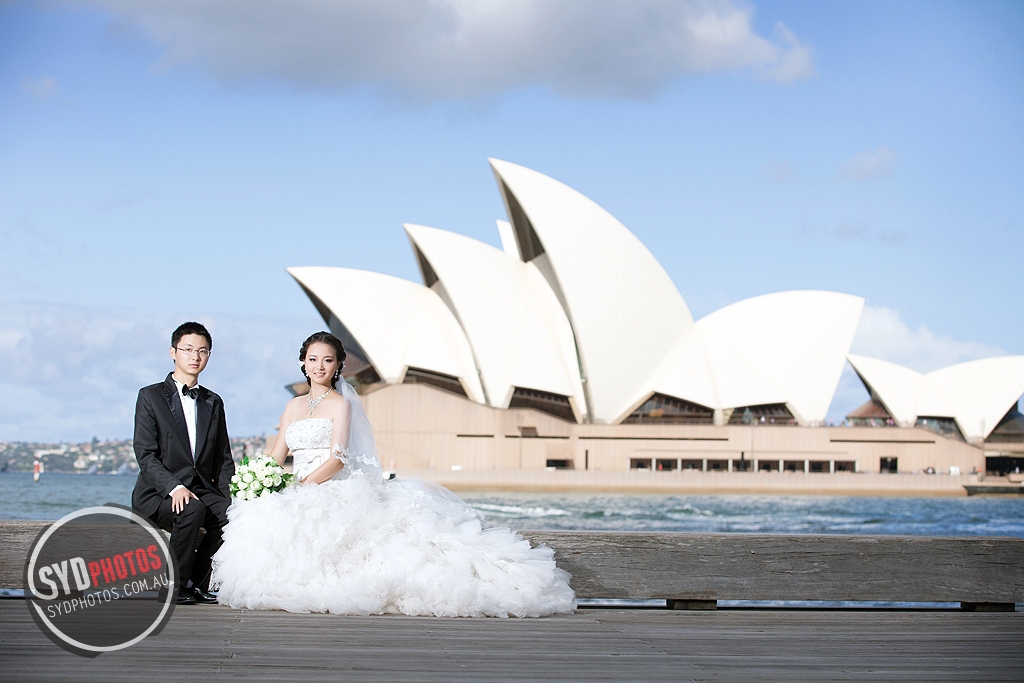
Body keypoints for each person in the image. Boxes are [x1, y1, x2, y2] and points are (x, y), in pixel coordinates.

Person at [211, 332, 575, 617]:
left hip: (328, 486)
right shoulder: (292, 406)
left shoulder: (341, 404)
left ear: (338, 366)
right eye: (313, 359)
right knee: (261, 516)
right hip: (297, 486)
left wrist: (302, 485)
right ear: (302, 364)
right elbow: (276, 456)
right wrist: (259, 479)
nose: (319, 366)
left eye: (327, 360)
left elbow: (338, 458)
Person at [132, 322, 235, 605]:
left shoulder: (213, 401)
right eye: (188, 349)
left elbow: (223, 459)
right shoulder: (150, 396)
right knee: (191, 509)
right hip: (158, 494)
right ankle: (172, 587)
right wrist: (174, 487)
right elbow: (145, 454)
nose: (195, 356)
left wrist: (229, 498)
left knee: (233, 515)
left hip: (200, 490)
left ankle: (194, 583)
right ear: (173, 352)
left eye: (202, 351)